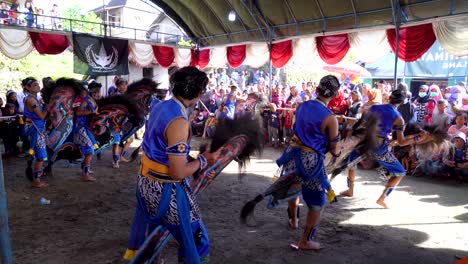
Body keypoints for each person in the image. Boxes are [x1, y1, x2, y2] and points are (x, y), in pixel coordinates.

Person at [124, 66, 218, 263]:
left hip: (146, 183)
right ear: (199, 93)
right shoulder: (178, 121)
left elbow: (160, 149)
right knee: (198, 241)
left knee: (157, 231)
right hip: (165, 190)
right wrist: (203, 160)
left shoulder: (160, 106)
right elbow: (178, 172)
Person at [277, 75, 341, 250]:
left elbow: (297, 129)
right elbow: (335, 150)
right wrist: (338, 150)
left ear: (318, 90)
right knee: (317, 202)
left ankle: (294, 220)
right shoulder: (330, 118)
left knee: (293, 188)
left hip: (292, 154)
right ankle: (305, 241)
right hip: (311, 162)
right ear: (335, 95)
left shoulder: (302, 106)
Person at [340, 89, 430, 208]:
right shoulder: (399, 118)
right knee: (400, 173)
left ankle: (350, 190)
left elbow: (363, 123)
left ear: (390, 98)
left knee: (352, 164)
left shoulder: (374, 107)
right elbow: (402, 142)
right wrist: (418, 138)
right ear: (402, 102)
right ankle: (382, 198)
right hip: (378, 146)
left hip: (364, 141)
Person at [23, 77, 49, 188]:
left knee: (40, 155)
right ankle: (36, 181)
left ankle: (36, 178)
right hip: (35, 130)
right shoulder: (31, 100)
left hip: (38, 128)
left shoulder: (35, 98)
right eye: (34, 85)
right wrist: (48, 106)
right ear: (27, 88)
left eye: (38, 84)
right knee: (41, 156)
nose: (38, 86)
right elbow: (42, 115)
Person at [73, 82, 99, 182]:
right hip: (80, 128)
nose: (83, 92)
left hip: (85, 127)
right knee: (89, 151)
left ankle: (86, 171)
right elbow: (79, 112)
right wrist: (91, 112)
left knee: (90, 150)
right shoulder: (84, 101)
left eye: (84, 90)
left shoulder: (89, 100)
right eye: (81, 91)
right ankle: (85, 174)